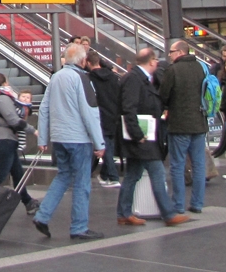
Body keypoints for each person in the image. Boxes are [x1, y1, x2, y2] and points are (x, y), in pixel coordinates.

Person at [33, 43, 106, 240]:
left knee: (63, 176)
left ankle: (42, 215)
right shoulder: (81, 79)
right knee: (82, 182)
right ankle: (79, 227)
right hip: (78, 138)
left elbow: (44, 108)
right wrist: (99, 143)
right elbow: (89, 111)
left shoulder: (56, 77)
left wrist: (43, 137)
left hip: (59, 137)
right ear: (83, 61)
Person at [117, 49, 190, 227]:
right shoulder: (134, 79)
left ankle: (124, 212)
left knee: (132, 175)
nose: (157, 63)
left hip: (142, 136)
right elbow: (129, 108)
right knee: (157, 172)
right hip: (142, 137)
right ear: (151, 61)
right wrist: (137, 134)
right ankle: (168, 213)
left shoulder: (138, 78)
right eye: (156, 60)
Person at [0, 74, 40, 214]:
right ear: (4, 83)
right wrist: (32, 130)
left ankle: (28, 202)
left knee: (17, 173)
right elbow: (13, 120)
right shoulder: (3, 99)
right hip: (5, 141)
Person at [159, 40, 208, 215]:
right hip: (199, 122)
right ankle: (197, 203)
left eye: (171, 52)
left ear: (179, 52)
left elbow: (164, 95)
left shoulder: (173, 70)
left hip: (179, 124)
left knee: (178, 165)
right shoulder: (201, 68)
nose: (169, 55)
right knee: (199, 164)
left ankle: (178, 204)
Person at [87, 51, 122, 187]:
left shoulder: (89, 78)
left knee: (104, 145)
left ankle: (113, 176)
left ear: (89, 63)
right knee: (110, 145)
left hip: (100, 114)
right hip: (113, 114)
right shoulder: (113, 77)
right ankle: (105, 174)